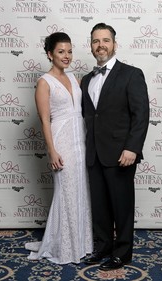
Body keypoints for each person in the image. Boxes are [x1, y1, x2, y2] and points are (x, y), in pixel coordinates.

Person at [80, 23, 150, 271]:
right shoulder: (86, 80)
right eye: (96, 41)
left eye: (105, 40)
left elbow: (141, 115)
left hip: (121, 154)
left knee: (122, 207)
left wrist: (132, 148)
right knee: (99, 207)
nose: (101, 45)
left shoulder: (131, 74)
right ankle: (103, 249)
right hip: (94, 154)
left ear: (114, 44)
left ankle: (122, 253)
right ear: (91, 46)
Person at [24, 32, 93, 264]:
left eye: (70, 51)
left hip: (80, 141)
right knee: (66, 194)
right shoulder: (44, 82)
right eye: (61, 52)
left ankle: (82, 243)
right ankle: (66, 247)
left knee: (81, 191)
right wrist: (52, 151)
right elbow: (45, 120)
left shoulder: (76, 79)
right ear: (50, 54)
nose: (67, 56)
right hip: (61, 142)